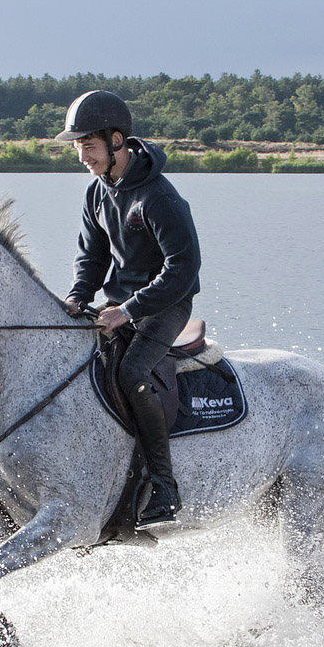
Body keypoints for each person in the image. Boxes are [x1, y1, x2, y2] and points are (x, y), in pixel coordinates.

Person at [57, 90, 202, 529]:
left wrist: (130, 310)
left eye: (88, 147)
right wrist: (78, 298)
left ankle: (164, 483)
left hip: (166, 305)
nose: (82, 156)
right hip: (121, 305)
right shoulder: (96, 193)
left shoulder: (159, 196)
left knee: (131, 372)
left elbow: (184, 266)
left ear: (116, 140)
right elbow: (92, 258)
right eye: (78, 148)